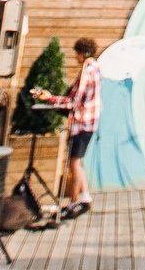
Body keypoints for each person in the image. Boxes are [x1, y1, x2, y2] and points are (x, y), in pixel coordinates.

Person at [51, 38, 100, 220]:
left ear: (84, 53)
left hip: (82, 123)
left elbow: (75, 101)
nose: (75, 57)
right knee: (76, 162)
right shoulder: (95, 68)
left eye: (77, 53)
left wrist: (50, 99)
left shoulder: (88, 71)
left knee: (74, 163)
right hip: (89, 122)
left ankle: (75, 202)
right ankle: (82, 198)